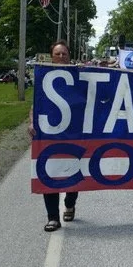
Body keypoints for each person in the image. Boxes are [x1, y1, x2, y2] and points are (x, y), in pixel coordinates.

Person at [29, 40, 79, 232]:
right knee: (48, 172)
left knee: (74, 174)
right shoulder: (44, 76)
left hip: (75, 133)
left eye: (63, 54)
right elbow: (36, 103)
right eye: (57, 54)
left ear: (69, 56)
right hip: (50, 133)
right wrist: (32, 122)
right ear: (52, 56)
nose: (60, 57)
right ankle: (53, 218)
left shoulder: (80, 75)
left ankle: (70, 202)